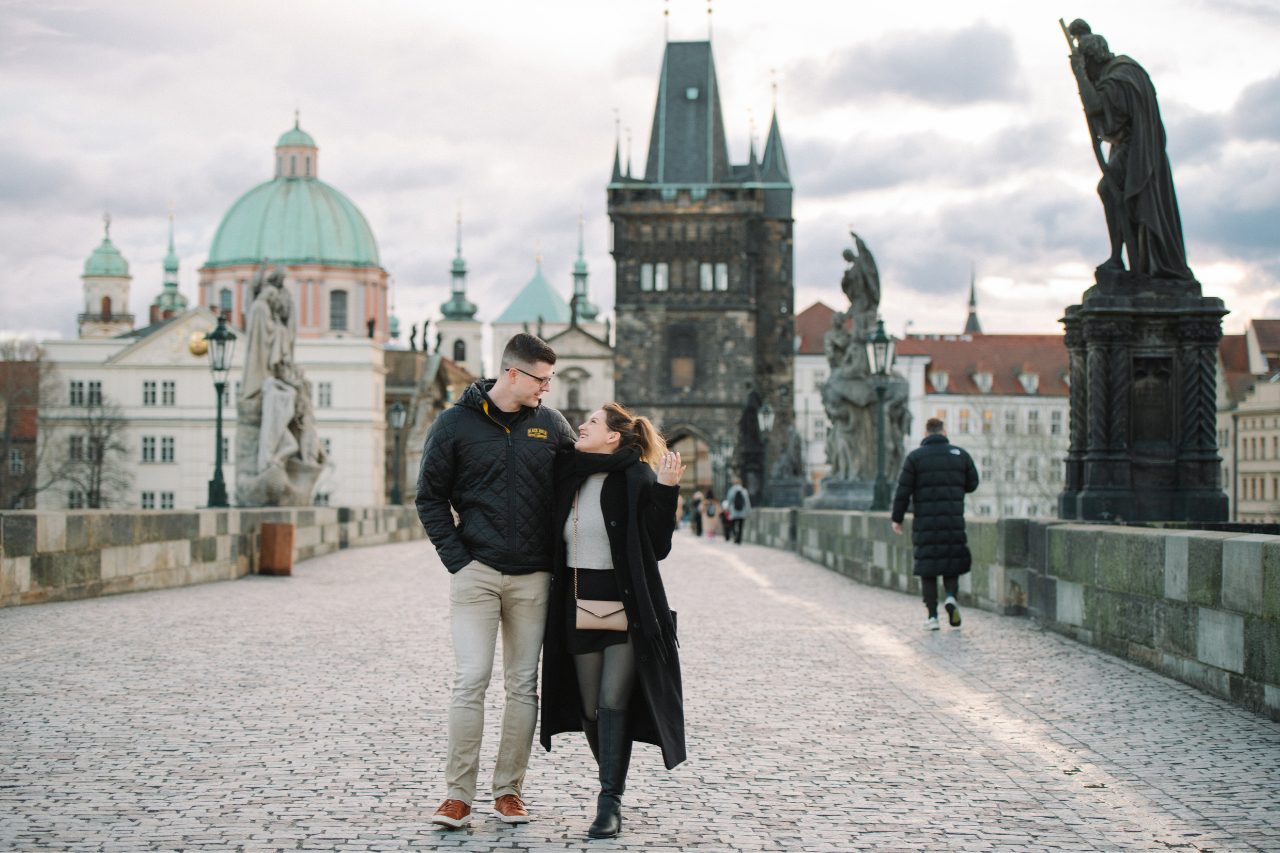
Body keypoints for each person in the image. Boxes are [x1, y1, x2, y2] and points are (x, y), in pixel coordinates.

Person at [415, 333, 576, 829]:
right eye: (541, 380)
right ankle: (457, 796)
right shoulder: (455, 424)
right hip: (477, 572)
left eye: (550, 380)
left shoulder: (551, 426)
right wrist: (458, 561)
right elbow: (429, 497)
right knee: (471, 680)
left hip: (534, 578)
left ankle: (509, 791)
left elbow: (585, 479)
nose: (547, 389)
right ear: (513, 374)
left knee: (523, 685)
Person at [540, 402, 686, 839]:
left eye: (592, 422)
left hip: (628, 609)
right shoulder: (569, 474)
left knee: (611, 702)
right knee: (589, 708)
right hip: (576, 603)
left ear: (613, 437)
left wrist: (667, 491)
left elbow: (657, 548)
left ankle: (609, 802)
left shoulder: (638, 477)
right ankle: (612, 779)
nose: (580, 425)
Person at [1067, 21, 1192, 280]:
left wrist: (1078, 73)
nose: (1088, 71)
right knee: (1117, 195)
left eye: (1086, 63)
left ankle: (1117, 258)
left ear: (1092, 58)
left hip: (1137, 151)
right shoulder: (1123, 73)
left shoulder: (1119, 77)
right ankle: (1124, 259)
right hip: (1131, 148)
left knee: (1109, 190)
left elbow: (1095, 107)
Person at [889, 418, 979, 631]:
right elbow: (972, 484)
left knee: (928, 568)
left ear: (926, 433)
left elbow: (903, 491)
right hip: (953, 521)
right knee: (951, 562)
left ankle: (932, 617)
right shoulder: (960, 455)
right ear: (944, 431)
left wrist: (897, 518)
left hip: (925, 523)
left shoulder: (915, 458)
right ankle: (950, 597)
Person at [723, 476, 751, 545]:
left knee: (732, 525)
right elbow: (747, 502)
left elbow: (729, 501)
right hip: (742, 511)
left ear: (733, 483)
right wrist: (748, 510)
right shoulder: (744, 490)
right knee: (741, 526)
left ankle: (735, 535)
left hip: (733, 511)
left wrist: (727, 509)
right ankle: (739, 539)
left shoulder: (731, 490)